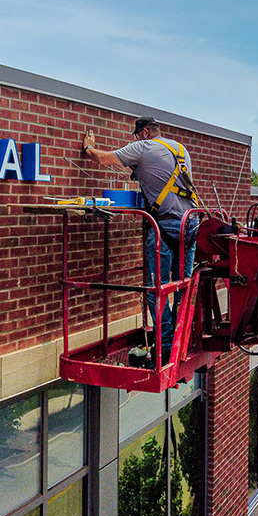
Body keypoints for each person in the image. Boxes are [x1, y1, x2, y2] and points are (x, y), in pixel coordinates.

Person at [81, 116, 199, 359]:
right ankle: (180, 340)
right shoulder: (179, 149)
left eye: (136, 135)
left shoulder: (143, 147)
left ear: (144, 133)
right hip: (190, 224)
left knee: (155, 289)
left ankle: (165, 345)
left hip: (165, 227)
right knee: (182, 287)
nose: (134, 140)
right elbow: (159, 174)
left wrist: (88, 147)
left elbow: (103, 158)